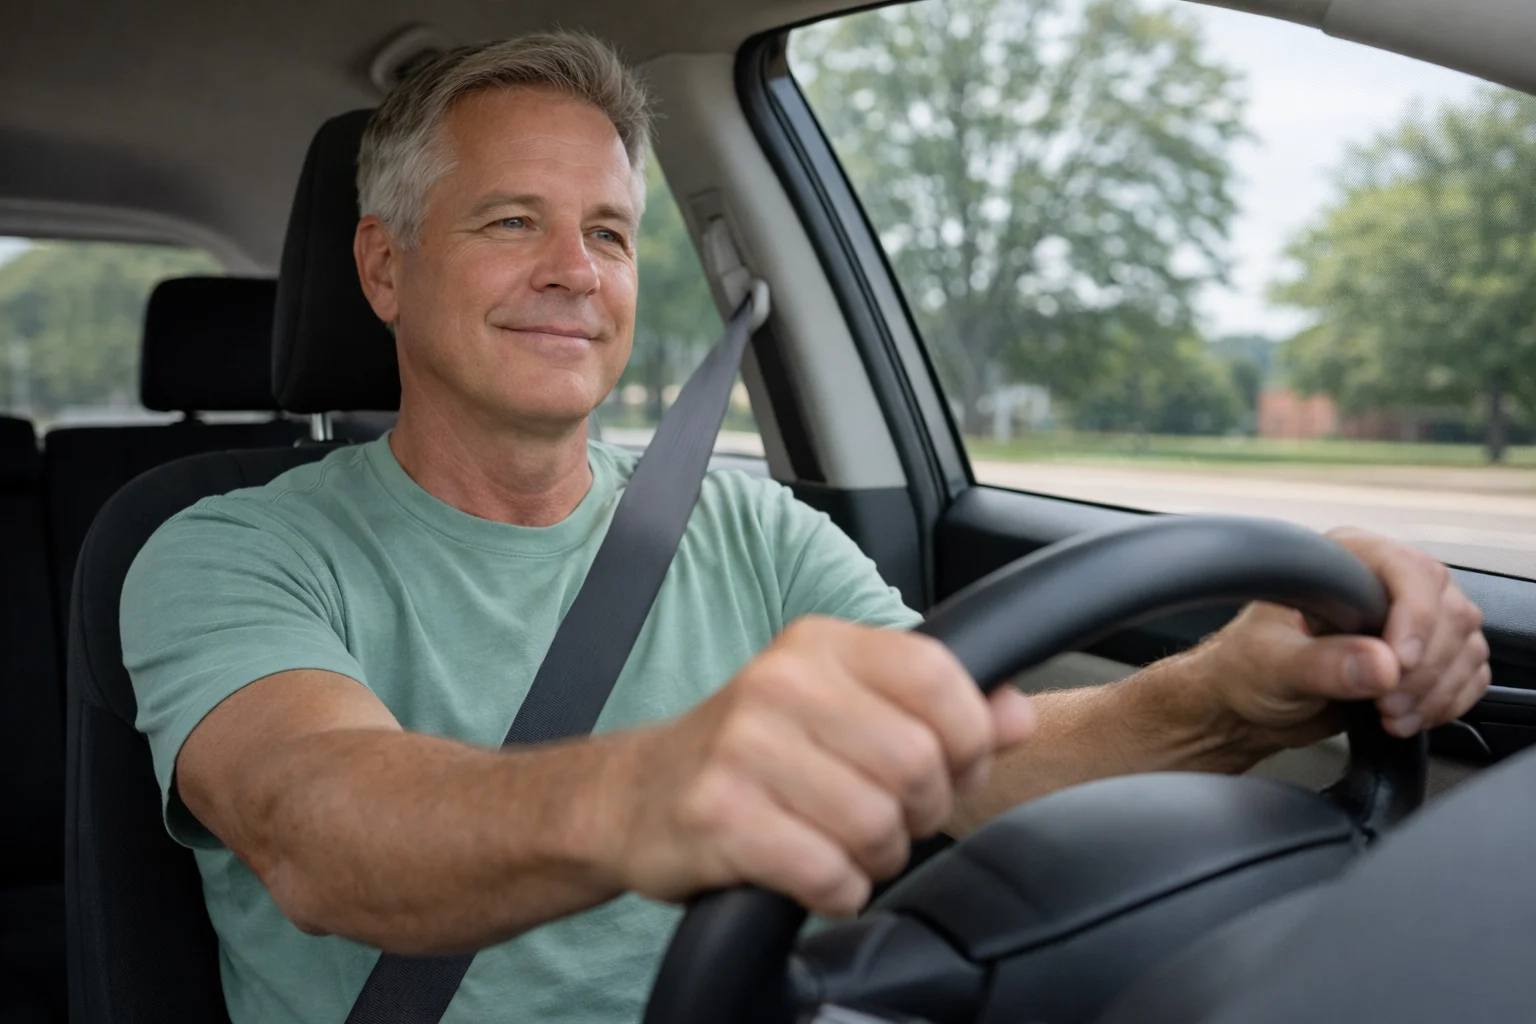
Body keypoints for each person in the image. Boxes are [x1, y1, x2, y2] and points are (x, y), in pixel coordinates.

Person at [121, 31, 1490, 1024]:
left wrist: (1239, 696)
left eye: (608, 232)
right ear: (382, 266)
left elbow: (974, 759)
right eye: (511, 222)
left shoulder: (748, 528)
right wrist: (644, 790)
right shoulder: (222, 550)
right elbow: (319, 822)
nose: (573, 274)